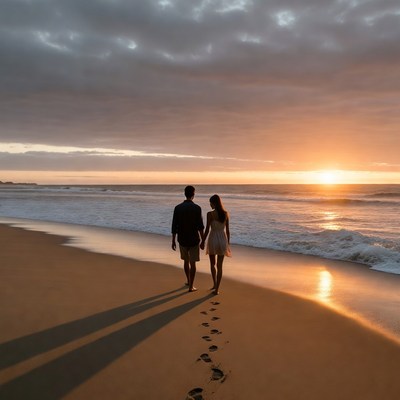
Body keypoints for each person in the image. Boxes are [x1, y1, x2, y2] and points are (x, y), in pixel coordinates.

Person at [171, 185, 204, 292]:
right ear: (193, 194)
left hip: (182, 238)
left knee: (186, 261)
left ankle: (188, 280)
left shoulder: (178, 208)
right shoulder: (197, 208)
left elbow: (174, 225)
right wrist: (203, 240)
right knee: (193, 263)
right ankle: (191, 286)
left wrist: (173, 240)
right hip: (194, 239)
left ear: (185, 194)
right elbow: (200, 226)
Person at [201, 194, 231, 295]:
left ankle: (214, 284)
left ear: (214, 203)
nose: (210, 205)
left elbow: (207, 230)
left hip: (213, 238)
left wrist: (202, 241)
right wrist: (228, 243)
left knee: (212, 264)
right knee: (220, 266)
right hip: (222, 239)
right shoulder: (226, 214)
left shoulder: (210, 214)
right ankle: (217, 289)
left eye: (210, 203)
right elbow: (228, 231)